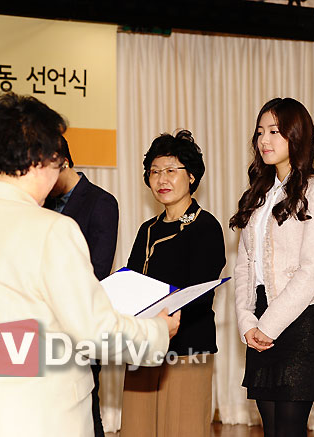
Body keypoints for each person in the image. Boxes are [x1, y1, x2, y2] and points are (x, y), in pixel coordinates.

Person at [0, 92, 180, 437]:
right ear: (37, 159)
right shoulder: (51, 230)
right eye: (56, 160)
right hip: (31, 415)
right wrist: (157, 331)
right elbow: (95, 331)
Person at [230, 98, 314, 437]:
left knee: (290, 429)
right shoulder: (258, 194)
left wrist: (269, 325)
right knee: (271, 429)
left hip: (302, 321)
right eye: (260, 132)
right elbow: (244, 265)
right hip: (261, 319)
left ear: (297, 135)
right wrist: (247, 321)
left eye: (274, 132)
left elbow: (312, 270)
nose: (264, 140)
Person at [120, 130, 226, 437]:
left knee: (182, 429)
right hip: (143, 345)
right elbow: (131, 283)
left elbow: (200, 294)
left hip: (186, 348)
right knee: (136, 429)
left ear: (191, 176)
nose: (161, 179)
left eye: (170, 170)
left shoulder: (205, 226)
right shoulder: (147, 229)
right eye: (154, 172)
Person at [44, 138, 119, 437]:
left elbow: (97, 270)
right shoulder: (39, 203)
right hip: (41, 329)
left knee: (86, 411)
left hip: (79, 324)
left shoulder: (101, 202)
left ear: (62, 161)